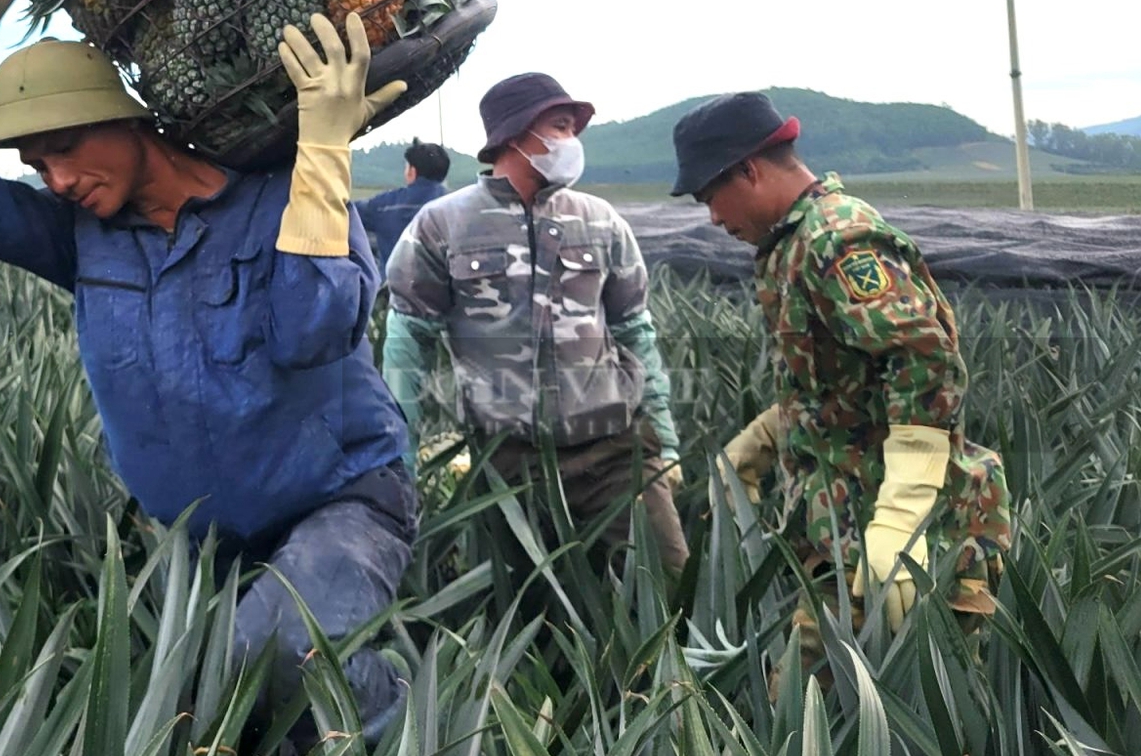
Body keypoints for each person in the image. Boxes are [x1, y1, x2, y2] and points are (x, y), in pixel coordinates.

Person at [0, 0, 418, 740]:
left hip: (341, 500)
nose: (60, 181)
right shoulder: (85, 238)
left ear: (130, 121)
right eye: (38, 168)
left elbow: (314, 330)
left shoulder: (280, 197)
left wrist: (321, 153)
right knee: (214, 720)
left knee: (275, 653)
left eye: (67, 149)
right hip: (202, 538)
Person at [673, 91, 1012, 658]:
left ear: (750, 171)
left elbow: (922, 356)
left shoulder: (836, 240)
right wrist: (767, 435)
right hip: (847, 527)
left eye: (712, 196)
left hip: (908, 533)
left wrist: (905, 505)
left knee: (839, 724)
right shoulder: (793, 243)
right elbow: (845, 382)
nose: (712, 217)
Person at [381, 72, 689, 572]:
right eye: (560, 126)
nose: (571, 141)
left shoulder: (601, 221)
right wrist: (403, 458)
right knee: (531, 619)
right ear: (514, 134)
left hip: (615, 451)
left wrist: (668, 440)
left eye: (572, 129)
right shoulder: (442, 225)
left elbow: (635, 330)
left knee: (666, 587)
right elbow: (407, 342)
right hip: (507, 464)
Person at [354, 140, 450, 270]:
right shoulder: (456, 207)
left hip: (393, 288)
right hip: (446, 288)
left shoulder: (384, 205)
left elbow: (348, 212)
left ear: (412, 171)